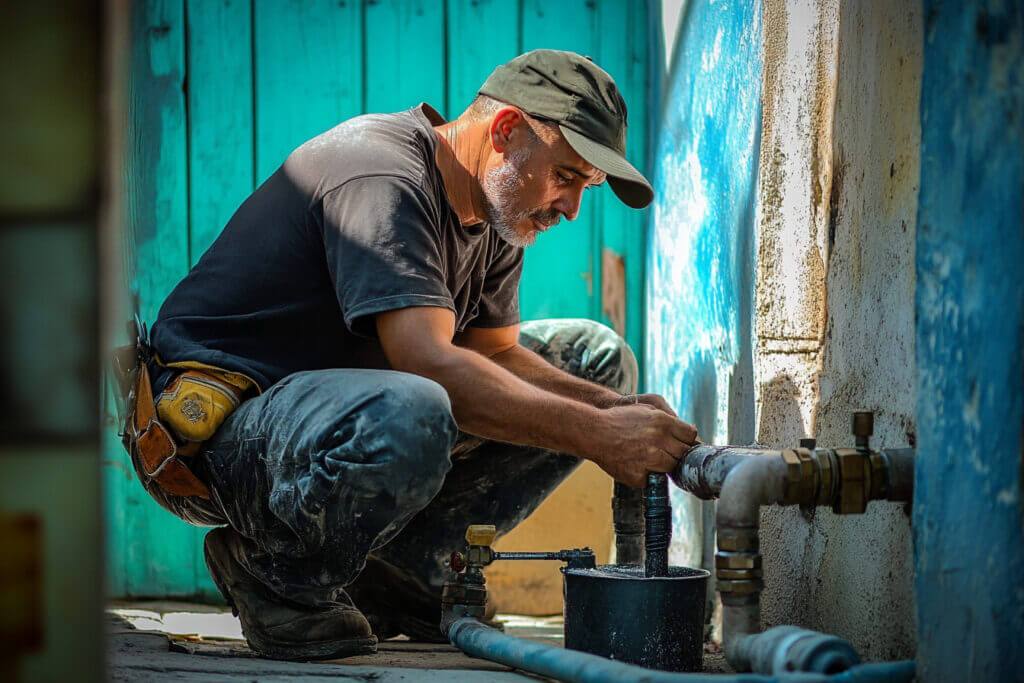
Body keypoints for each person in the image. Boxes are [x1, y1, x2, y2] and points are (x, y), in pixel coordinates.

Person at [123, 49, 699, 661]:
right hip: (217, 432)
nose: (572, 208)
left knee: (593, 363)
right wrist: (601, 437)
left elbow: (495, 354)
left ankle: (393, 570)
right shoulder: (383, 173)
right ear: (505, 131)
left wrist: (616, 411)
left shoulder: (496, 213)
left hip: (330, 423)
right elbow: (427, 363)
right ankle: (279, 571)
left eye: (587, 187)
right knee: (418, 406)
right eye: (565, 176)